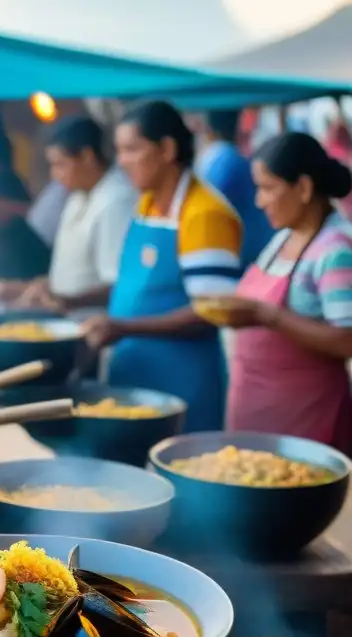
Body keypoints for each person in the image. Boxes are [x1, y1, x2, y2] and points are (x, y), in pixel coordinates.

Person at [84, 100, 244, 433]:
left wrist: (125, 328)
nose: (121, 161)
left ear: (167, 149)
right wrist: (68, 300)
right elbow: (136, 286)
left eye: (131, 149)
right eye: (119, 150)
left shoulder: (204, 214)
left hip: (181, 385)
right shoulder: (147, 203)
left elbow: (211, 311)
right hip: (133, 380)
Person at [219, 133, 352, 451]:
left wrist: (268, 316)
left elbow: (348, 339)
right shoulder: (282, 239)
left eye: (268, 188)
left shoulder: (334, 249)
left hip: (306, 425)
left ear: (303, 188)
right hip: (255, 416)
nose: (259, 201)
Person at [0, 115, 136, 315]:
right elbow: (74, 276)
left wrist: (65, 300)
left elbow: (116, 285)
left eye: (60, 164)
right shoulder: (78, 196)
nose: (54, 174)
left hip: (92, 328)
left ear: (87, 157)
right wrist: (27, 288)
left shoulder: (117, 201)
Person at [195, 109, 274, 269]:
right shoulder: (229, 157)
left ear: (208, 128)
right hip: (254, 248)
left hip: (242, 254)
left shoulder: (221, 157)